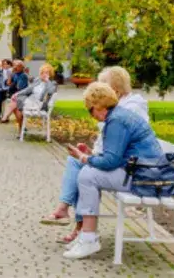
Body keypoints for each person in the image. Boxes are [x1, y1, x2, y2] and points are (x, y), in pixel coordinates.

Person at [45, 66, 148, 244]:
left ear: (115, 89)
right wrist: (91, 153)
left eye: (103, 85)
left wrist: (88, 158)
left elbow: (116, 153)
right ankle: (73, 218)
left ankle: (82, 229)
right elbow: (113, 149)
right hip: (122, 164)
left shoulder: (128, 110)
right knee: (76, 162)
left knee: (85, 172)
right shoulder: (115, 109)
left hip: (132, 171)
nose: (98, 89)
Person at [62, 82, 164, 260]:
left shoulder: (116, 120)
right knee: (87, 172)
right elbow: (113, 156)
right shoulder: (118, 116)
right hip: (145, 172)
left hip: (144, 178)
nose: (91, 115)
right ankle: (86, 236)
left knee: (88, 176)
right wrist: (90, 157)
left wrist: (85, 158)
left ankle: (88, 238)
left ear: (99, 106)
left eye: (90, 110)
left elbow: (111, 161)